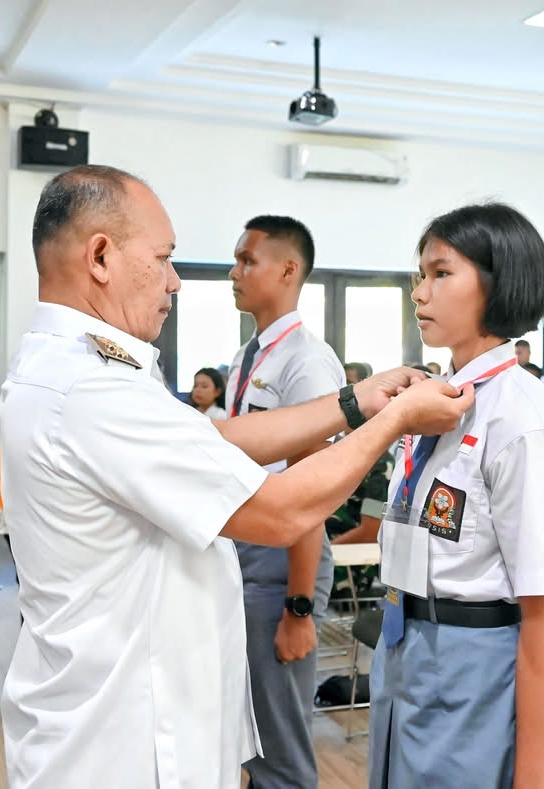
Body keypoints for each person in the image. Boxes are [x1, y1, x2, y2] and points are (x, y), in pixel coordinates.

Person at [0, 165, 472, 789]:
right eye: (163, 258)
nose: (175, 280)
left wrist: (355, 402)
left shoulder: (72, 368)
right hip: (122, 738)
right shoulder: (93, 388)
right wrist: (396, 419)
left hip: (125, 709)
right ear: (101, 256)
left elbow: (209, 443)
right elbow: (279, 510)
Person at [369, 203, 544, 789]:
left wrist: (534, 780)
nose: (420, 293)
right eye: (421, 275)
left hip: (472, 658)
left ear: (499, 284)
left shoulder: (523, 419)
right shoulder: (436, 399)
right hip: (404, 637)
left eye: (441, 274)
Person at [226, 214, 348, 789]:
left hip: (283, 563)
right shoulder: (247, 357)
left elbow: (310, 495)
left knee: (278, 743)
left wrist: (298, 610)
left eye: (247, 260)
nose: (234, 273)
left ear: (288, 270)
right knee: (250, 731)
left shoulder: (307, 362)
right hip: (244, 552)